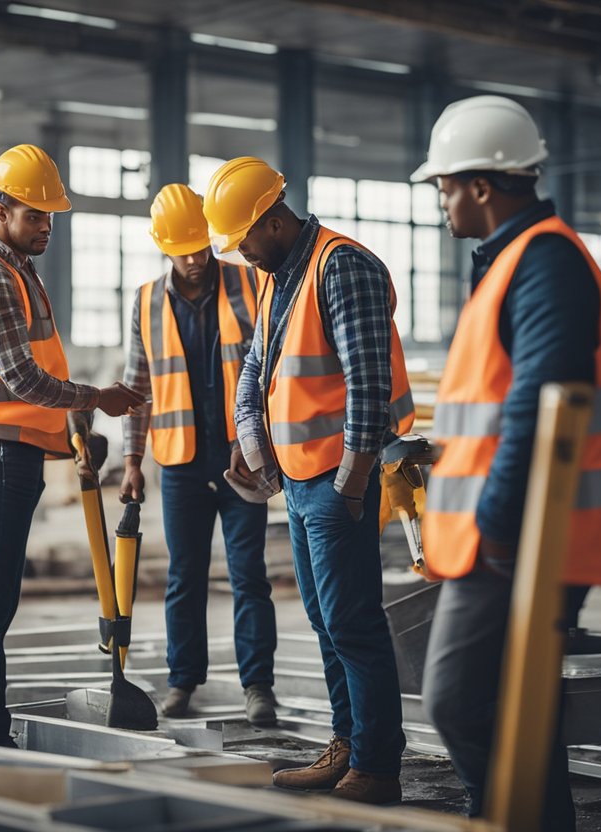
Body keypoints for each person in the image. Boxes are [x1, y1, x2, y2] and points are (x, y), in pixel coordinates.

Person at [414, 96, 601, 830]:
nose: (442, 200)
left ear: (483, 186)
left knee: (460, 699)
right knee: (515, 707)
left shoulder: (543, 263)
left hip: (523, 538)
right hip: (511, 532)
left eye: (446, 185)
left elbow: (540, 407)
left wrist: (502, 529)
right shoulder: (515, 261)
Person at [206, 157, 415, 805]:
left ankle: (377, 765)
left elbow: (369, 387)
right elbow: (254, 367)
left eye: (241, 239)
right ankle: (348, 744)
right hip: (301, 481)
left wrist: (352, 484)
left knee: (352, 620)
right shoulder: (278, 275)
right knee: (327, 621)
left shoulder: (342, 266)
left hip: (336, 477)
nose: (238, 254)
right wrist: (252, 439)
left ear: (271, 221)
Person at [0, 143, 142, 745]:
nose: (46, 227)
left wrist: (74, 428)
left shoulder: (18, 271)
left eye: (50, 216)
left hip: (6, 451)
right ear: (1, 212)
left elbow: (38, 365)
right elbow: (21, 379)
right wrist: (94, 400)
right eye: (34, 216)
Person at [120, 184, 278, 726]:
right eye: (181, 249)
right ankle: (183, 681)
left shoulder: (253, 282)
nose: (193, 258)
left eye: (200, 246)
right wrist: (132, 461)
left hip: (243, 458)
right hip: (180, 462)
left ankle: (259, 686)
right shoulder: (144, 301)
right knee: (184, 576)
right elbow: (137, 387)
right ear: (163, 246)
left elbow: (273, 366)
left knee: (248, 575)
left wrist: (262, 440)